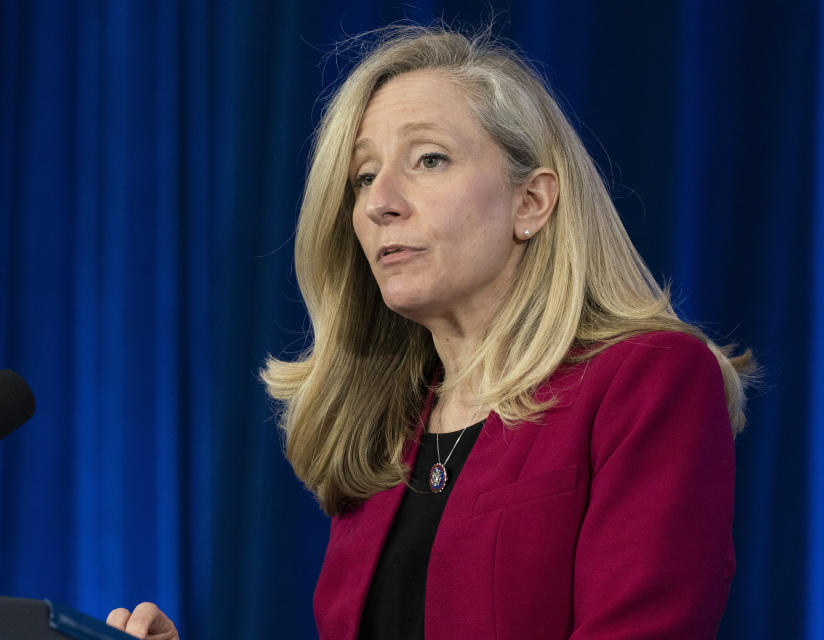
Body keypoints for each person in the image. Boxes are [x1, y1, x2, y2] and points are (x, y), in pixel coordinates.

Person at [108, 25, 753, 640]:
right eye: (363, 176)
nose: (379, 200)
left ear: (530, 202)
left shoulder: (649, 380)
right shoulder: (385, 431)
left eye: (429, 159)